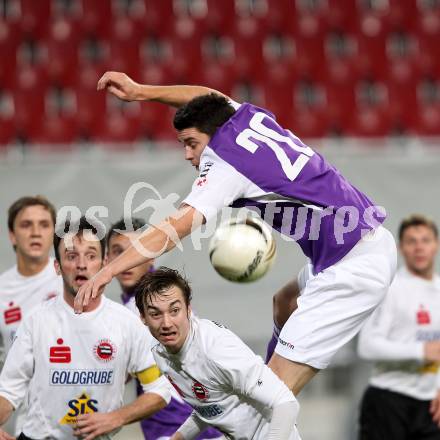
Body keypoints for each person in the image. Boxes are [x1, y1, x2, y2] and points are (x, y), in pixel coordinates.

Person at [75, 72, 397, 400]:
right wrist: (141, 91)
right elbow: (207, 94)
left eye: (191, 144)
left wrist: (108, 270)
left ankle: (271, 401)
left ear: (211, 139)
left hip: (353, 269)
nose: (187, 155)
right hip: (358, 245)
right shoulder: (244, 116)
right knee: (285, 303)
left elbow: (175, 228)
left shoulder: (223, 166)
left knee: (270, 401)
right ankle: (270, 382)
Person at [0, 217, 173, 440]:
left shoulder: (125, 323)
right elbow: (7, 393)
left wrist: (116, 418)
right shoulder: (36, 322)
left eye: (91, 256)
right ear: (57, 267)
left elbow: (160, 390)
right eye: (71, 256)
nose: (81, 264)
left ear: (104, 263)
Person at [134, 267, 300, 439]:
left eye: (174, 310)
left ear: (188, 309)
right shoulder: (160, 353)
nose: (166, 323)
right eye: (155, 314)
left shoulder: (216, 349)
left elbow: (286, 403)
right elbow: (209, 406)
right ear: (143, 318)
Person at [107, 218, 222, 440]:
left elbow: (114, 375)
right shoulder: (167, 296)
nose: (126, 260)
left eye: (135, 250)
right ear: (107, 259)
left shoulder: (138, 311)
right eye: (118, 252)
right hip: (206, 425)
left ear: (151, 254)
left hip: (175, 427)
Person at [358, 215, 440, 440]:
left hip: (430, 407)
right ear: (401, 248)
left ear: (436, 245)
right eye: (411, 241)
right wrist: (421, 351)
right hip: (388, 403)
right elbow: (366, 346)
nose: (419, 247)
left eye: (425, 240)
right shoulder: (390, 288)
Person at [0, 196, 63, 436]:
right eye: (26, 225)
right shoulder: (2, 289)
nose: (36, 232)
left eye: (44, 225)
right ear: (12, 235)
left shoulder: (70, 280)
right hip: (24, 422)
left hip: (78, 416)